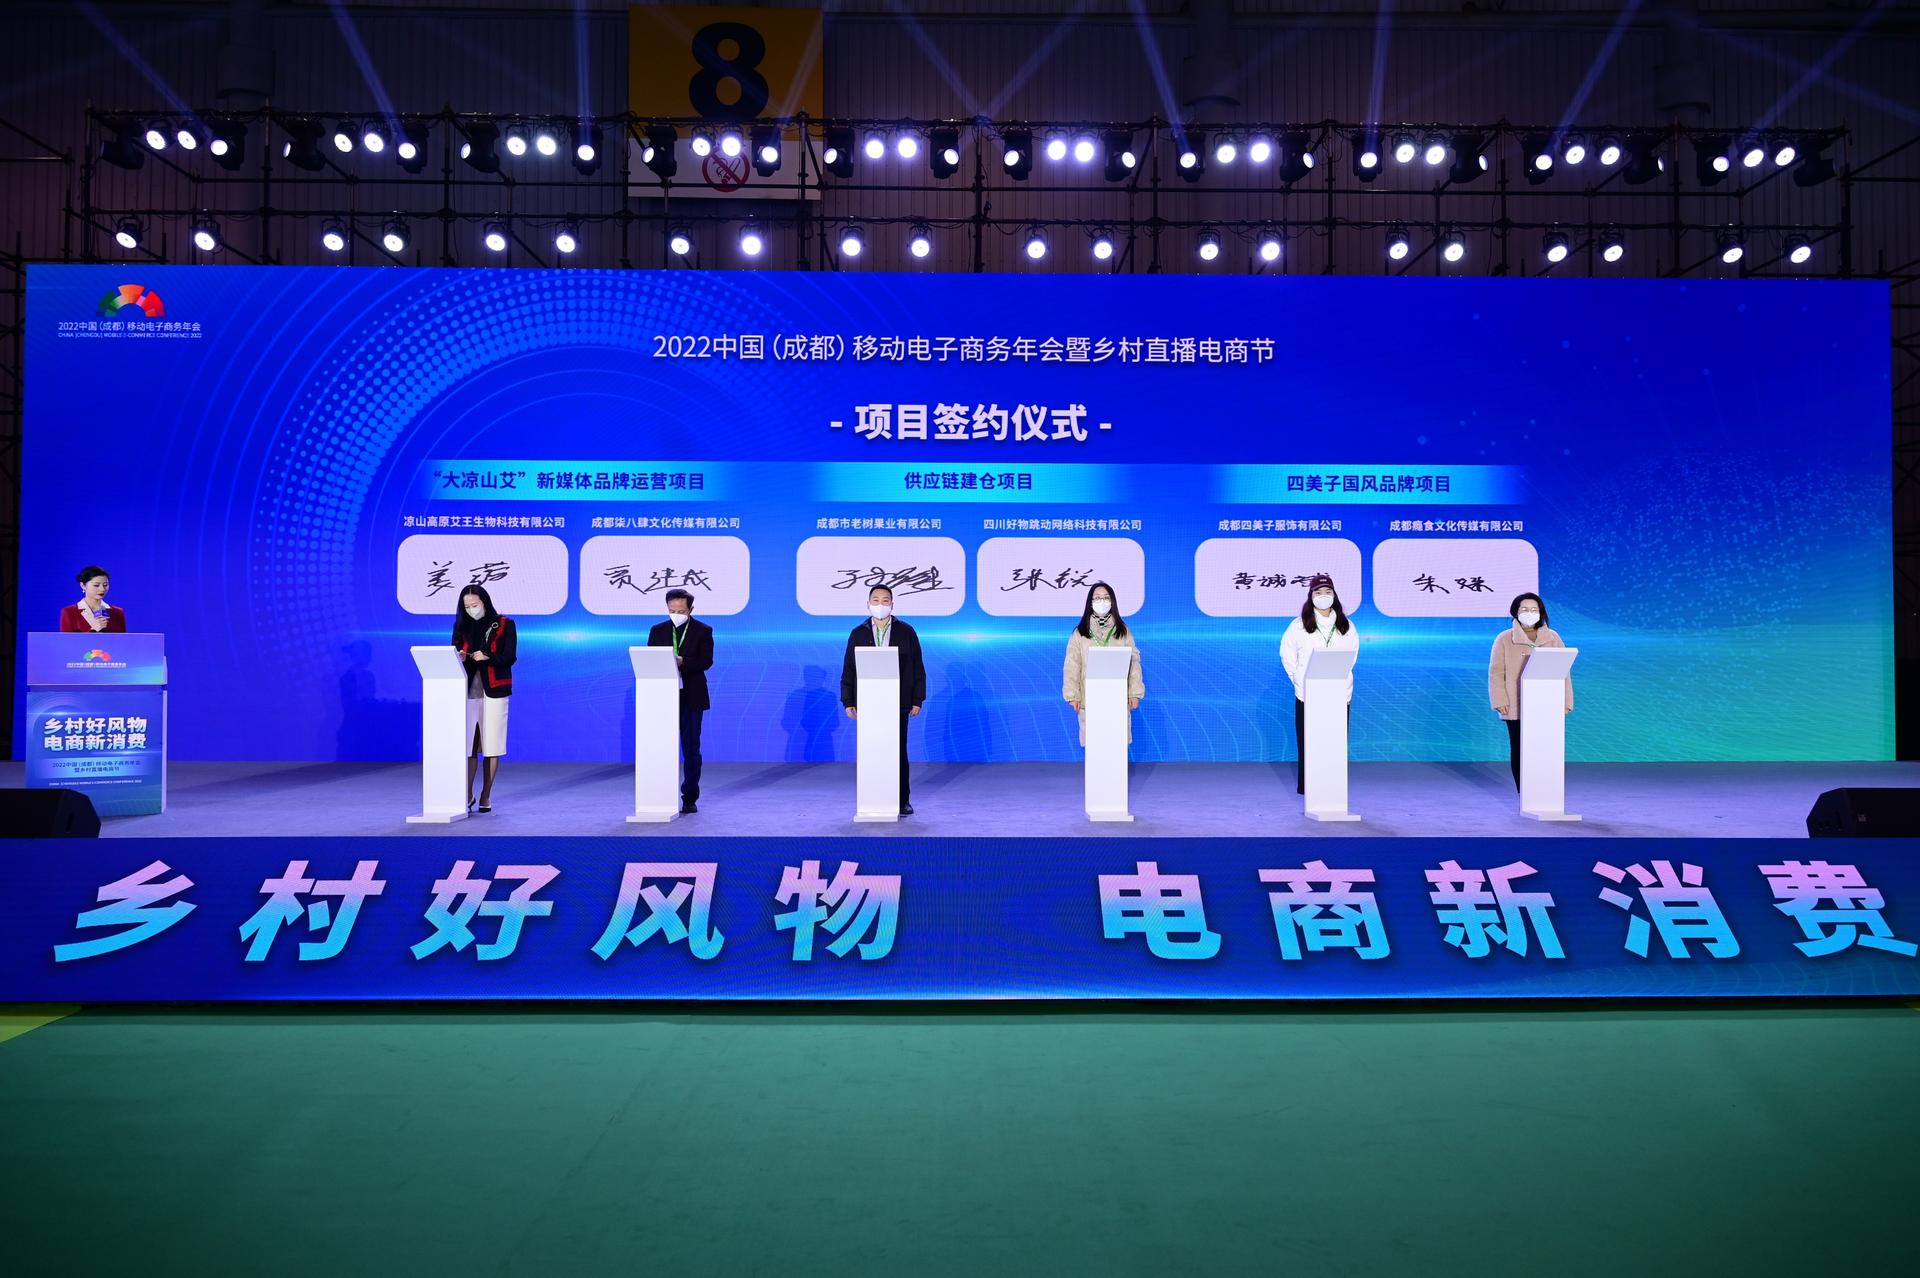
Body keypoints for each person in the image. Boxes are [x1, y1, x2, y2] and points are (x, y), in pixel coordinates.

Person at [840, 584, 927, 815]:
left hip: (898, 701)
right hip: (869, 702)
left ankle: (902, 800)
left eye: (885, 600)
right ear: (868, 604)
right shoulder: (858, 633)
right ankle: (873, 798)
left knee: (898, 751)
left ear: (892, 604)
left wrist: (917, 698)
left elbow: (917, 667)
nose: (880, 604)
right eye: (876, 600)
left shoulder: (906, 631)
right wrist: (848, 700)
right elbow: (849, 668)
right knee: (872, 751)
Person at [1280, 573, 1359, 796]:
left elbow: (1352, 656)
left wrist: (1337, 676)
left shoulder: (1346, 625)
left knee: (1334, 743)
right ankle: (1308, 786)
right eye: (1318, 592)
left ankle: (1331, 787)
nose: (1323, 596)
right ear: (1311, 596)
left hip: (1338, 693)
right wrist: (1299, 678)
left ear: (1334, 595)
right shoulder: (1298, 626)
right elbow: (1287, 655)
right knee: (1308, 742)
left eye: (1327, 592)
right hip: (1308, 693)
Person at [1489, 592, 1573, 790]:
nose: (1530, 613)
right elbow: (1496, 672)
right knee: (1519, 748)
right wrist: (1500, 700)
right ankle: (1524, 794)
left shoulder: (1553, 638)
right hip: (1515, 705)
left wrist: (1565, 702)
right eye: (1524, 609)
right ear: (1515, 612)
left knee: (1544, 750)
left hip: (1547, 705)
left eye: (1534, 609)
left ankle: (1544, 791)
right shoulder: (1504, 639)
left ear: (1541, 612)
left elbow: (1564, 671)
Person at [648, 587, 715, 814]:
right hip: (664, 696)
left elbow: (706, 661)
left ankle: (689, 797)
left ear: (690, 609)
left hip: (692, 697)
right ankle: (659, 795)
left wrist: (682, 662)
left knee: (691, 749)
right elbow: (651, 659)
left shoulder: (703, 630)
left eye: (681, 611)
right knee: (660, 747)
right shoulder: (658, 630)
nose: (676, 614)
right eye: (672, 610)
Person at [452, 584, 516, 813]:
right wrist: (459, 656)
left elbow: (509, 658)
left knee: (492, 744)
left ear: (485, 602)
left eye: (475, 605)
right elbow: (453, 654)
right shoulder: (461, 626)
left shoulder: (504, 624)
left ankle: (486, 794)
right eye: (467, 606)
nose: (471, 609)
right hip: (469, 691)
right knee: (469, 744)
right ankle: (467, 794)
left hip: (495, 689)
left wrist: (488, 656)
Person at [1063, 580, 1143, 745]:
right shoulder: (1079, 633)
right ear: (1090, 602)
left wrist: (1134, 693)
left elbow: (1134, 663)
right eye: (1097, 598)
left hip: (1117, 699)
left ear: (1112, 602)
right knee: (1094, 745)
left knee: (1116, 744)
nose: (1102, 601)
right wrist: (1072, 695)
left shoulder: (1123, 631)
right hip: (1089, 699)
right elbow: (1072, 665)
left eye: (1106, 598)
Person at [60, 565, 126, 633]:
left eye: (105, 585)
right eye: (96, 585)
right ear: (83, 585)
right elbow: (65, 639)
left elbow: (122, 639)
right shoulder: (69, 612)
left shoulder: (117, 612)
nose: (102, 589)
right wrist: (93, 630)